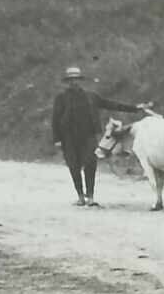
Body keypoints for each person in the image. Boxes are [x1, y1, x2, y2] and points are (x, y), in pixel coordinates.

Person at [51, 66, 147, 207]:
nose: (74, 82)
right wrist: (57, 139)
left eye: (76, 79)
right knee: (74, 166)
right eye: (71, 80)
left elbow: (111, 104)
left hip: (88, 136)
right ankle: (80, 196)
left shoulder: (91, 96)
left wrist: (135, 108)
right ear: (67, 82)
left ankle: (90, 197)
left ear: (80, 81)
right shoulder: (61, 98)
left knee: (90, 164)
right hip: (68, 138)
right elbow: (55, 119)